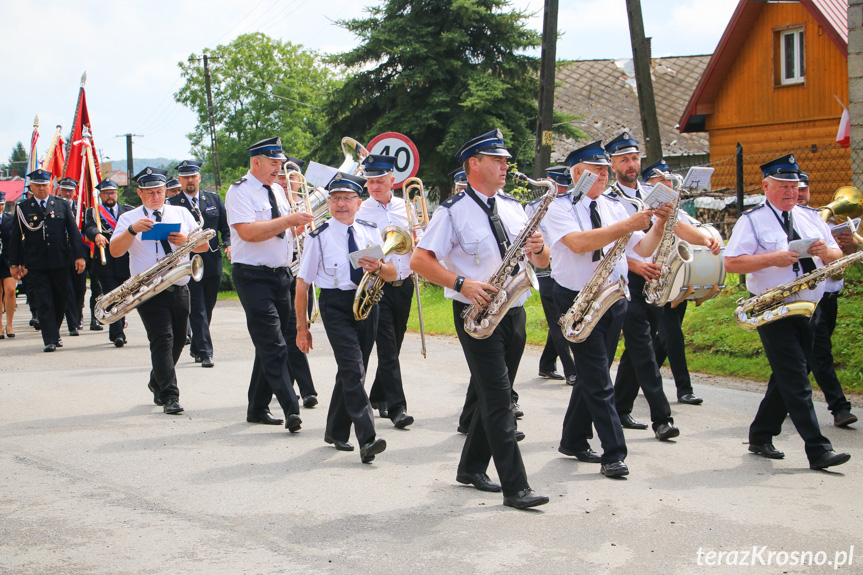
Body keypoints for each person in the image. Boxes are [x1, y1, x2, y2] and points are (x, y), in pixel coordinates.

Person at [411, 128, 550, 509]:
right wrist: (462, 283)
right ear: (474, 164)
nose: (506, 165)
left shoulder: (513, 206)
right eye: (497, 159)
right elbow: (419, 261)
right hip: (476, 311)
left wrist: (540, 250)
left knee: (495, 394)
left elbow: (541, 262)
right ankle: (516, 487)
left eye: (506, 159)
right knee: (499, 397)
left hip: (514, 308)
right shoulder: (451, 211)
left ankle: (471, 467)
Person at [545, 141, 672, 477]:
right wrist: (630, 224)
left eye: (605, 169)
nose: (602, 174)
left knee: (594, 372)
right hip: (577, 298)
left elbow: (643, 247)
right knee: (600, 379)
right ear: (576, 173)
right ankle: (614, 453)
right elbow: (579, 243)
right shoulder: (561, 207)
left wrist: (657, 224)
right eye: (594, 169)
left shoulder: (616, 206)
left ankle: (573, 439)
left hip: (613, 297)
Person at [725, 154, 850, 470]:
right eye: (783, 187)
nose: (791, 193)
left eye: (794, 187)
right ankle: (818, 449)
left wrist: (827, 251)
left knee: (794, 371)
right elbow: (731, 262)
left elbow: (836, 254)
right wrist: (772, 259)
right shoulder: (751, 220)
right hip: (773, 307)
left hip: (810, 306)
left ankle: (760, 434)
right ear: (766, 186)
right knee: (795, 376)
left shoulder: (810, 216)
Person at [606, 134, 719, 440]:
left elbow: (677, 225)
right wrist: (634, 264)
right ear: (613, 164)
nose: (631, 165)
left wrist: (706, 239)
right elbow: (606, 247)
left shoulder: (652, 193)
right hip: (625, 279)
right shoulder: (608, 200)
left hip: (656, 278)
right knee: (643, 346)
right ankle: (662, 419)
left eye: (635, 159)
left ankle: (620, 405)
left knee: (639, 348)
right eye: (624, 160)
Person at [296, 171, 395, 462]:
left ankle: (336, 431)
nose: (341, 204)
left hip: (367, 302)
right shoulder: (319, 236)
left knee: (352, 369)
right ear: (329, 203)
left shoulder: (368, 231)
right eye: (335, 198)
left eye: (347, 198)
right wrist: (302, 329)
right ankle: (368, 439)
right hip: (336, 305)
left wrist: (377, 267)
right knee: (354, 370)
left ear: (358, 202)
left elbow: (390, 273)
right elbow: (302, 284)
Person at [225, 137, 313, 432]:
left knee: (270, 341)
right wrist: (289, 220)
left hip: (281, 274)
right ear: (256, 162)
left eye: (280, 162)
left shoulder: (277, 189)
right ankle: (291, 408)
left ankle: (258, 407)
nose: (279, 169)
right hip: (252, 275)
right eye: (273, 163)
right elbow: (248, 233)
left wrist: (298, 226)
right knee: (274, 343)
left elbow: (283, 230)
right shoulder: (240, 191)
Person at [111, 167, 206, 414]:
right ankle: (170, 396)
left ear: (166, 191)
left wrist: (185, 240)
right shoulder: (128, 217)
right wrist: (133, 231)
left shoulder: (181, 212)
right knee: (162, 339)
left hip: (178, 283)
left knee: (179, 340)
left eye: (160, 191)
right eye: (150, 192)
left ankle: (157, 381)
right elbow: (115, 252)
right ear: (140, 194)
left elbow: (204, 246)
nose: (156, 196)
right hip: (148, 289)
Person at [356, 154, 417, 428]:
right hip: (378, 286)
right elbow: (357, 252)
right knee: (388, 348)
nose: (374, 187)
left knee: (397, 342)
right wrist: (379, 259)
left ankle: (379, 396)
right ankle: (398, 408)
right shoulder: (360, 211)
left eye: (380, 181)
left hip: (405, 284)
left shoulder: (407, 207)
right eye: (370, 182)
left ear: (393, 180)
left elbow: (420, 239)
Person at [641, 158, 707, 406]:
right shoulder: (645, 208)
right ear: (650, 184)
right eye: (661, 179)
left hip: (678, 276)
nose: (667, 183)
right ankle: (684, 389)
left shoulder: (676, 210)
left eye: (669, 178)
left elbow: (686, 232)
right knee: (672, 334)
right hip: (656, 277)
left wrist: (705, 240)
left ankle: (642, 376)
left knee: (664, 337)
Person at [795, 171, 857, 427]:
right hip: (809, 297)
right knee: (819, 351)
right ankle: (839, 407)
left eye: (803, 189)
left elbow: (841, 257)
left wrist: (849, 246)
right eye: (794, 189)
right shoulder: (786, 221)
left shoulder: (820, 219)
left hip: (830, 296)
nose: (800, 194)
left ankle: (783, 397)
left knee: (804, 356)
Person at [8, 169, 86, 352]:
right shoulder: (23, 208)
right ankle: (49, 339)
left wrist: (79, 256)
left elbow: (73, 233)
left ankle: (55, 332)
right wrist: (14, 263)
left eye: (44, 185)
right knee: (45, 301)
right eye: (37, 185)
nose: (41, 189)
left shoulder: (61, 204)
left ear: (50, 186)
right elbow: (15, 238)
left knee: (61, 299)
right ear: (31, 187)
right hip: (36, 263)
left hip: (60, 261)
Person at [168, 160, 231, 368]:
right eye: (185, 177)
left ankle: (197, 345)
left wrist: (229, 244)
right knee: (197, 308)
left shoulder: (212, 199)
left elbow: (225, 227)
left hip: (212, 261)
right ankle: (205, 352)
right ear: (180, 180)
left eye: (193, 176)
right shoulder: (173, 204)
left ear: (199, 178)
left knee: (209, 306)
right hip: (189, 263)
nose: (189, 181)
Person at [275, 157, 318, 407]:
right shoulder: (274, 206)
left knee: (296, 331)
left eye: (289, 178)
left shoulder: (312, 205)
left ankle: (283, 385)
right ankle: (306, 388)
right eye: (280, 177)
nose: (285, 182)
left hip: (302, 275)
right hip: (281, 272)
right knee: (286, 332)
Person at [529, 165, 576, 386]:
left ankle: (547, 364)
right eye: (558, 186)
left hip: (567, 271)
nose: (562, 190)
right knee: (558, 322)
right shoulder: (533, 207)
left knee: (561, 318)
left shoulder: (571, 206)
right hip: (545, 272)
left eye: (566, 186)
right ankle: (571, 370)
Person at [83, 179, 132, 347]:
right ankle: (117, 333)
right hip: (106, 262)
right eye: (106, 193)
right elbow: (88, 227)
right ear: (101, 195)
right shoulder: (94, 212)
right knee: (112, 296)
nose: (109, 196)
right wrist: (96, 234)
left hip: (125, 261)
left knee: (124, 297)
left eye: (112, 193)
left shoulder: (128, 211)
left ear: (117, 194)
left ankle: (119, 326)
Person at [57, 177, 88, 336]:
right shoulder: (54, 206)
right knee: (66, 288)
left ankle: (78, 314)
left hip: (79, 252)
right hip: (61, 253)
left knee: (80, 287)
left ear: (75, 191)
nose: (67, 193)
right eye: (65, 190)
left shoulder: (82, 207)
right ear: (59, 190)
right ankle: (71, 321)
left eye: (70, 190)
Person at [0, 192, 17, 339]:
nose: (0, 207)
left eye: (1, 204)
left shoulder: (10, 219)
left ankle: (9, 323)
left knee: (10, 290)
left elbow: (17, 240)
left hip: (8, 259)